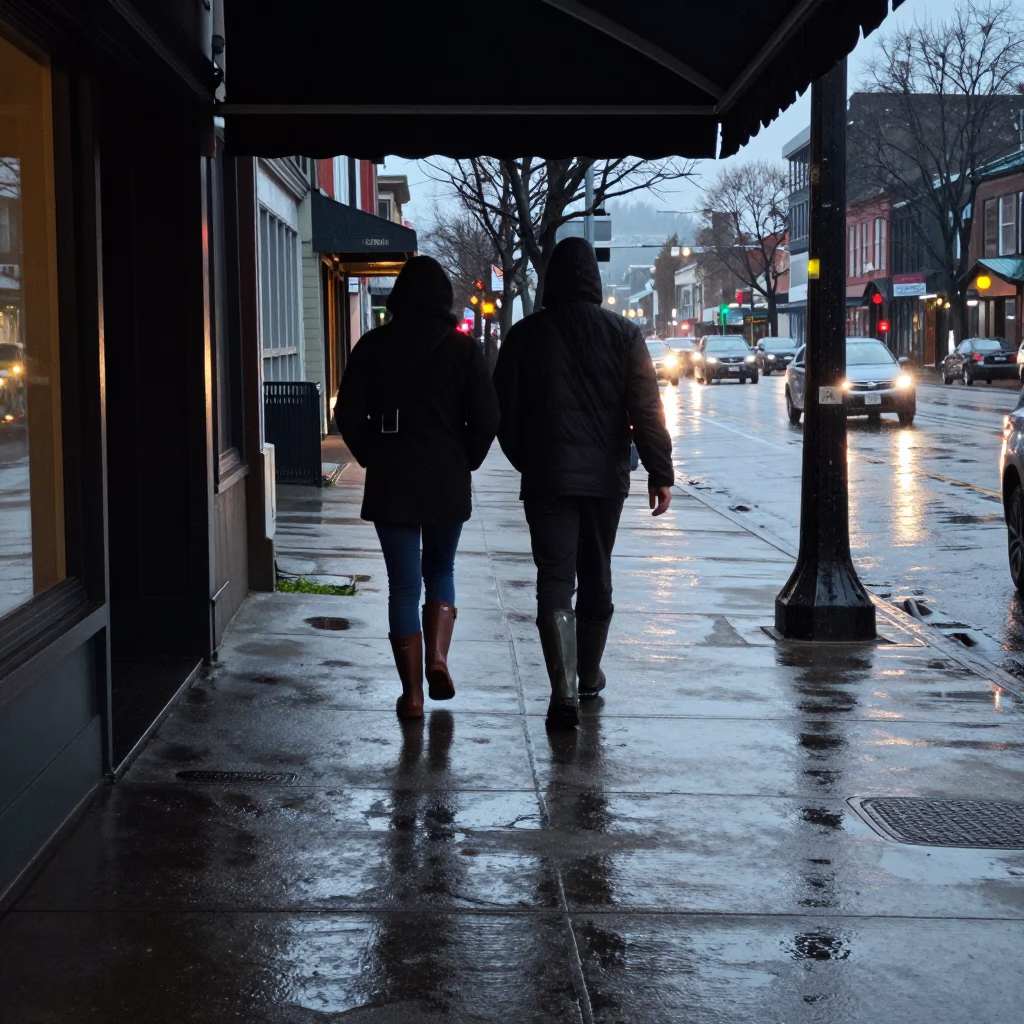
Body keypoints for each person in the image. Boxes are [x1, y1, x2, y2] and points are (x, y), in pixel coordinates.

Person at [493, 237, 674, 730]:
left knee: (554, 579)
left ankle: (563, 688)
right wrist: (660, 473)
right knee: (597, 574)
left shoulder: (525, 336)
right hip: (604, 479)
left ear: (551, 277)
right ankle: (590, 673)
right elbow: (646, 411)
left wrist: (527, 459)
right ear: (594, 278)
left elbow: (501, 414)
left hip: (547, 476)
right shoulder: (624, 335)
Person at [337, 257, 499, 720]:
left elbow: (347, 414)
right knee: (441, 571)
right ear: (445, 299)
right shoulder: (464, 351)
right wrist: (465, 458)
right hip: (447, 478)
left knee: (403, 588)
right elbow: (488, 417)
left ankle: (411, 695)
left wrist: (373, 454)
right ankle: (438, 659)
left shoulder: (373, 346)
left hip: (393, 480)